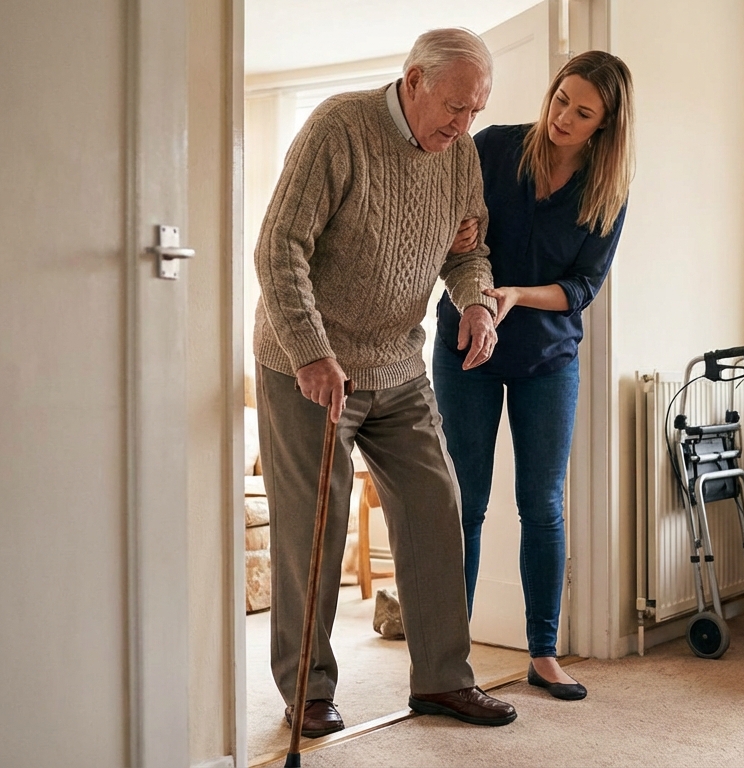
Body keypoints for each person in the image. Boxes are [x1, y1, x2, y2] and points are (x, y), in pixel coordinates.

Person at [253, 27, 517, 737]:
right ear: (413, 81)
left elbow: (470, 250)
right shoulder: (339, 129)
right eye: (455, 108)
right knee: (315, 525)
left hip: (397, 363)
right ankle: (306, 690)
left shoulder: (458, 155)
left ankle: (442, 680)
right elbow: (278, 248)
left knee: (436, 506)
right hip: (308, 365)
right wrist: (310, 351)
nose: (464, 127)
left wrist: (475, 302)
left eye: (477, 112)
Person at [432, 50, 635, 701]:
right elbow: (442, 225)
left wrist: (518, 295)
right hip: (468, 345)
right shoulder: (491, 147)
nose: (563, 118)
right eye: (560, 100)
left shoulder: (607, 190)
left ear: (605, 124)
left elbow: (583, 286)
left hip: (548, 360)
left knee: (541, 506)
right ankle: (449, 662)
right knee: (463, 503)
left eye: (582, 112)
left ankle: (543, 654)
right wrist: (456, 236)